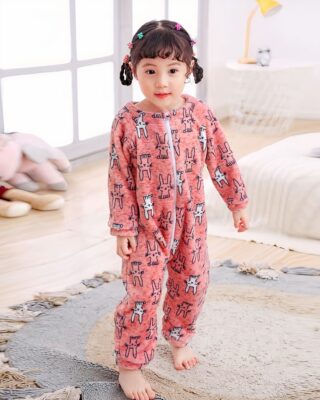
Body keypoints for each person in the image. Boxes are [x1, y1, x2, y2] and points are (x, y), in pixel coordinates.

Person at [108, 19, 249, 400]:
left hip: (192, 221)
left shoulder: (199, 114)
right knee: (142, 293)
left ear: (189, 70)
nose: (161, 81)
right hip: (145, 224)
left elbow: (220, 158)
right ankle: (131, 364)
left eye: (173, 70)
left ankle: (179, 337)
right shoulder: (127, 121)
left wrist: (236, 202)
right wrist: (123, 227)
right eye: (149, 71)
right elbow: (118, 176)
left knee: (194, 281)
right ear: (132, 69)